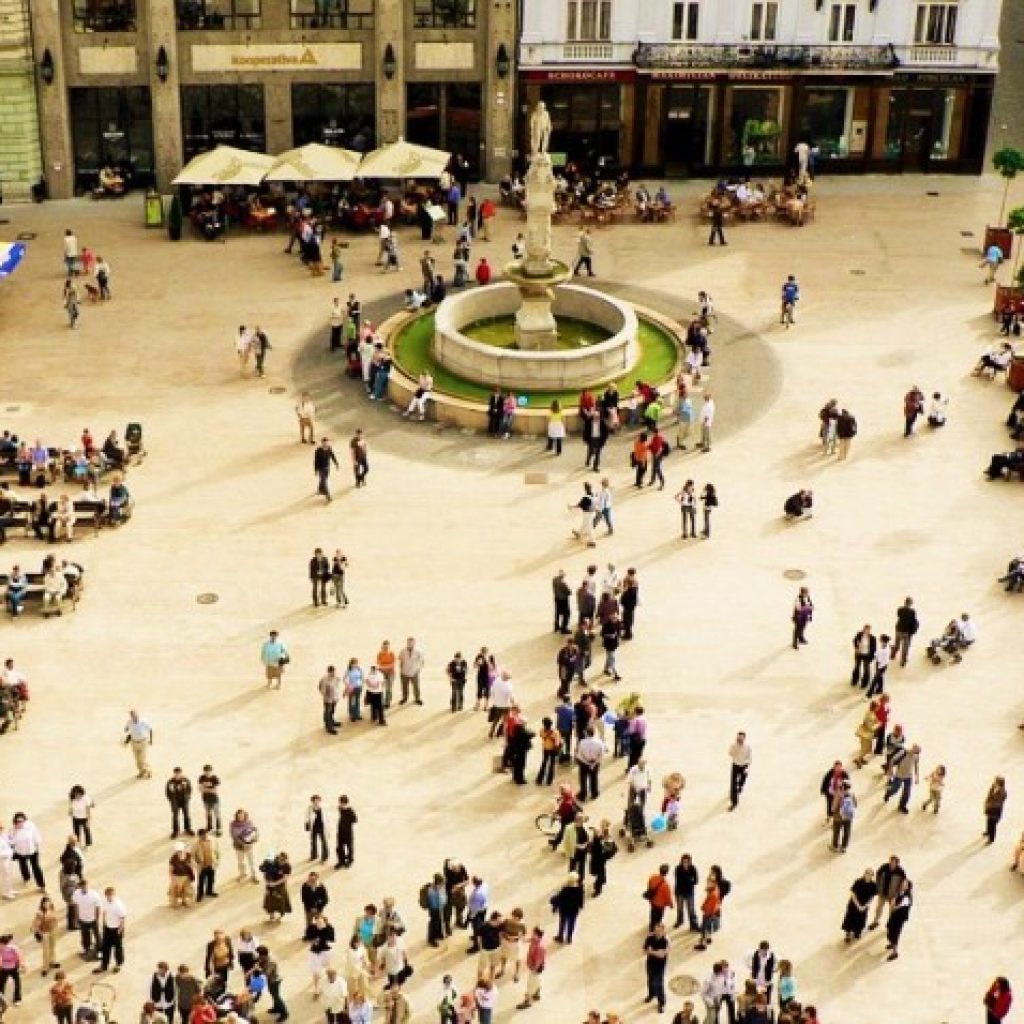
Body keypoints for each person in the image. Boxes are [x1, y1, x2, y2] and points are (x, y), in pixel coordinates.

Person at [841, 868, 877, 942]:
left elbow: (872, 897)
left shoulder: (873, 885)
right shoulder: (858, 881)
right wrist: (858, 905)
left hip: (864, 906)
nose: (868, 875)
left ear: (872, 876)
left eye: (870, 874)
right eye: (867, 873)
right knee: (850, 919)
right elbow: (852, 893)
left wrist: (865, 906)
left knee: (861, 920)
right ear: (864, 874)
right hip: (854, 905)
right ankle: (848, 934)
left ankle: (857, 932)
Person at [884, 878, 913, 961]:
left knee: (895, 933)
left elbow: (895, 907)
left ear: (908, 886)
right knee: (890, 928)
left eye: (905, 883)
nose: (902, 884)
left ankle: (895, 952)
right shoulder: (899, 892)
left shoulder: (907, 897)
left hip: (899, 918)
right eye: (903, 883)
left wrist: (893, 903)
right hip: (894, 916)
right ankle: (892, 944)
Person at [644, 923, 669, 1013]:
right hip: (650, 964)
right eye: (655, 930)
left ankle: (661, 1003)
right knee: (650, 981)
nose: (656, 932)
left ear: (663, 931)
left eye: (659, 931)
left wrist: (652, 952)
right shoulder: (650, 938)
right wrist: (656, 952)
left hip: (660, 966)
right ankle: (651, 995)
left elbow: (662, 955)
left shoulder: (666, 941)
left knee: (659, 984)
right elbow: (644, 950)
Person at [728, 731, 751, 810]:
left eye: (741, 738)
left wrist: (747, 767)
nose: (739, 739)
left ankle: (740, 787)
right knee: (733, 784)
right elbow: (730, 753)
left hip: (744, 766)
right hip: (735, 765)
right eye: (738, 737)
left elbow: (749, 757)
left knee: (742, 781)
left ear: (744, 738)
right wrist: (735, 749)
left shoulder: (747, 747)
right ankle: (734, 802)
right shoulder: (733, 745)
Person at [313, 438, 339, 502]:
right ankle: (328, 496)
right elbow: (316, 461)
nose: (325, 444)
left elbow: (333, 456)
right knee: (324, 482)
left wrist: (336, 463)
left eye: (326, 443)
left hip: (327, 468)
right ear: (322, 443)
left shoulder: (329, 448)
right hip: (321, 468)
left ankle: (319, 490)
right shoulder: (318, 450)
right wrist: (316, 470)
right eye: (324, 443)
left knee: (323, 479)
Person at [984, 776, 1008, 844]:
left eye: (996, 781)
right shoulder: (993, 787)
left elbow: (998, 803)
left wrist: (990, 804)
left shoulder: (1003, 792)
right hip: (990, 808)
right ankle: (988, 831)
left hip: (995, 811)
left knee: (993, 824)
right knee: (988, 821)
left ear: (999, 783)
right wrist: (987, 802)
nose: (994, 782)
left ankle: (991, 839)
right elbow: (989, 795)